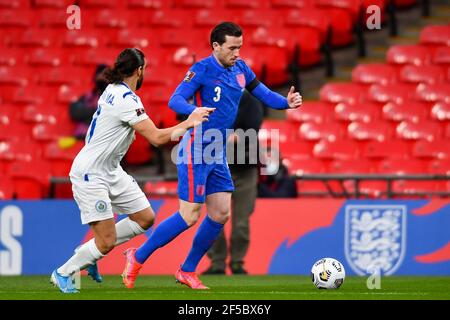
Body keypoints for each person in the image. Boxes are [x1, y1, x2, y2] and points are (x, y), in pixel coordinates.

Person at [121, 22, 302, 290]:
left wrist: (285, 102)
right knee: (189, 215)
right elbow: (175, 100)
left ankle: (187, 270)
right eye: (231, 48)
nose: (237, 53)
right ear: (216, 46)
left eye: (239, 47)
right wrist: (193, 111)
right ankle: (138, 256)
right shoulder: (202, 69)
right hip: (197, 148)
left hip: (216, 152)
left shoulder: (241, 69)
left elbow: (263, 94)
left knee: (219, 213)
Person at [50, 48, 214, 293]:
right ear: (139, 71)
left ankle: (91, 254)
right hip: (91, 173)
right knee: (106, 242)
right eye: (144, 68)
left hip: (111, 170)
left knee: (145, 218)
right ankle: (63, 272)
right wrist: (189, 122)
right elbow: (157, 139)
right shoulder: (127, 100)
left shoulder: (112, 90)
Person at [203, 90, 263, 275]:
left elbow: (249, 133)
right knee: (215, 218)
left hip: (245, 168)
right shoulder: (213, 98)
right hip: (218, 168)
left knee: (241, 222)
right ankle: (218, 262)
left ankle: (237, 262)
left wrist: (218, 135)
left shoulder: (250, 101)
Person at [69, 64, 108, 140]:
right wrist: (95, 112)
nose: (102, 78)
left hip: (103, 140)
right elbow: (74, 113)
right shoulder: (87, 97)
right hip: (82, 138)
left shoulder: (115, 98)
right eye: (100, 74)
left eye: (106, 76)